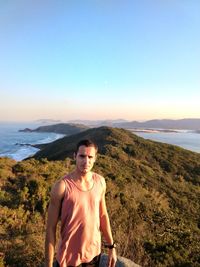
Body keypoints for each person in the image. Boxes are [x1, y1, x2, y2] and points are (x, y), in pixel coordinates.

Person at [45, 139, 117, 267]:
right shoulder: (62, 186)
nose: (86, 161)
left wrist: (111, 246)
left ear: (95, 158)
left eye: (90, 157)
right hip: (68, 259)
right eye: (82, 156)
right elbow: (50, 228)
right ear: (75, 156)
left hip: (94, 255)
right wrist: (49, 264)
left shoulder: (100, 182)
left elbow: (103, 215)